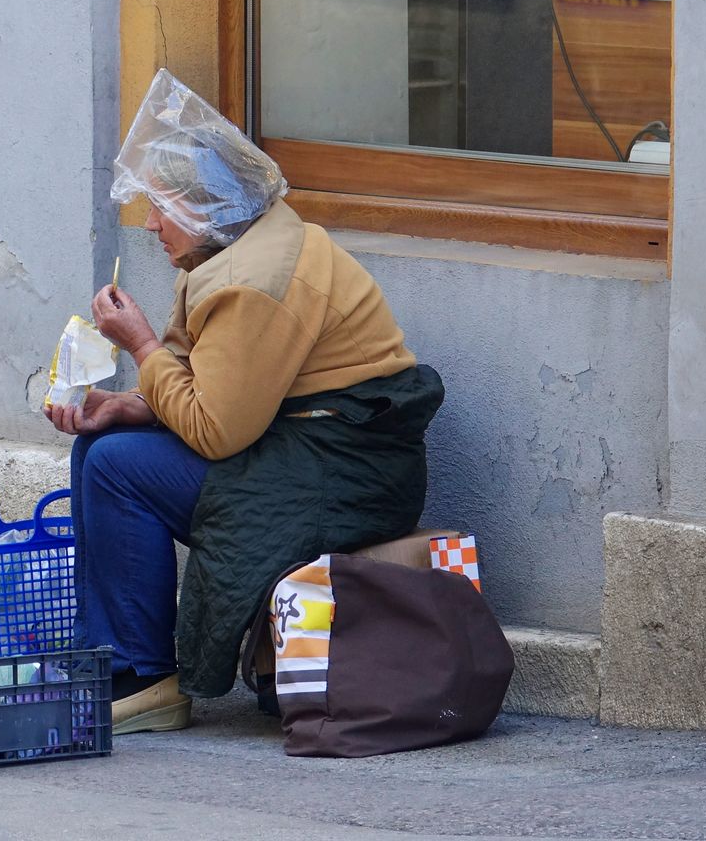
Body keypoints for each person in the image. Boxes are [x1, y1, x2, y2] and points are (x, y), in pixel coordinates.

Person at [44, 72, 444, 734]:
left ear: (207, 207)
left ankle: (148, 675)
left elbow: (216, 429)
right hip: (301, 443)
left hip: (342, 474)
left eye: (162, 209)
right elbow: (215, 383)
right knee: (100, 445)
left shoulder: (249, 279)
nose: (150, 226)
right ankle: (113, 658)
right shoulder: (239, 242)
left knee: (117, 467)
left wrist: (140, 344)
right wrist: (132, 405)